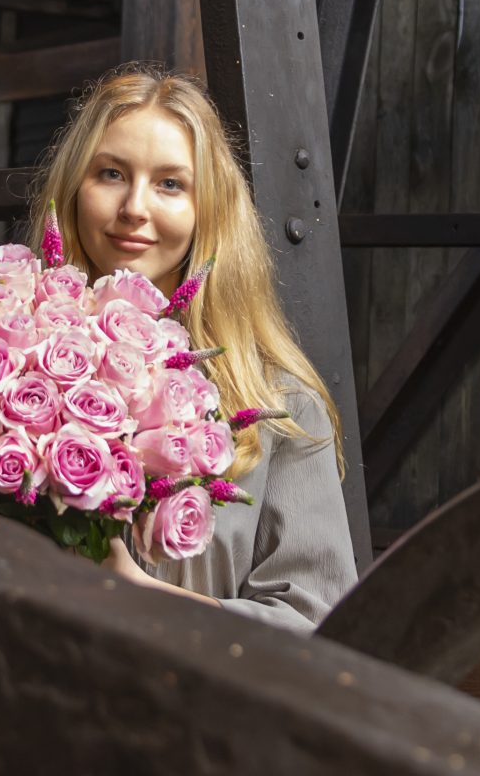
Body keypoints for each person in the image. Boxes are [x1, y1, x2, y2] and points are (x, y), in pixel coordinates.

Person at [26, 66, 356, 632]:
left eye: (170, 184)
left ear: (209, 209)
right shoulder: (4, 367)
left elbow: (320, 627)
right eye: (111, 173)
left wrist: (141, 597)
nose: (135, 207)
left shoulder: (280, 407)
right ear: (75, 189)